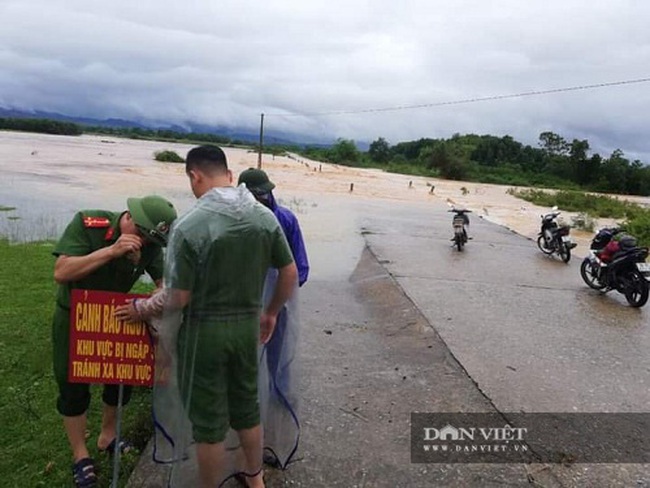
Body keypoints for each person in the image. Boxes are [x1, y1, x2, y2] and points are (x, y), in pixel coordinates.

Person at [115, 146, 298, 488]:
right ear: (228, 174)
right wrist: (270, 313)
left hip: (204, 336)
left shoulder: (189, 225)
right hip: (247, 329)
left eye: (192, 182)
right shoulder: (263, 217)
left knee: (209, 425)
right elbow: (288, 272)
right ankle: (255, 479)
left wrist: (142, 308)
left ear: (195, 175)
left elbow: (179, 296)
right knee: (247, 408)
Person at [51, 195, 177, 488]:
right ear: (129, 219)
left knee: (120, 379)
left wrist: (150, 309)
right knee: (72, 386)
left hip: (120, 316)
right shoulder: (88, 223)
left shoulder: (150, 244)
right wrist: (110, 251)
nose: (144, 244)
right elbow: (61, 272)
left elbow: (163, 288)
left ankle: (108, 435)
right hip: (75, 315)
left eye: (152, 242)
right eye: (142, 237)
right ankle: (80, 455)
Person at [237, 168, 308, 468]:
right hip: (241, 310)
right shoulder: (234, 221)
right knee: (243, 371)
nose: (262, 198)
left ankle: (274, 438)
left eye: (265, 192)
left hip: (277, 311)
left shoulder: (286, 220)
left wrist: (276, 301)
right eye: (255, 194)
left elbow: (300, 269)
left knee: (277, 369)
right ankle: (245, 431)